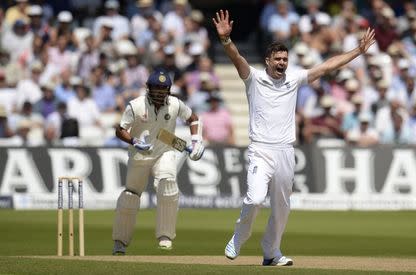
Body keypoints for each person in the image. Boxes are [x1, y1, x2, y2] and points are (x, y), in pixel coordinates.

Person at [213, 9, 375, 266]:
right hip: (261, 149)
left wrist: (357, 51)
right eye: (277, 59)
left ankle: (272, 253)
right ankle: (238, 238)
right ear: (267, 60)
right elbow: (237, 58)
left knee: (282, 207)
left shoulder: (293, 79)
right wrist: (225, 40)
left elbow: (326, 66)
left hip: (286, 151)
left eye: (285, 60)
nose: (282, 63)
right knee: (255, 198)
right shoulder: (253, 79)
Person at [112, 70, 205, 254]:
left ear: (169, 90)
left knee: (168, 184)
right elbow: (120, 130)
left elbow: (192, 119)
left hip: (165, 150)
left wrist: (196, 141)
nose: (160, 92)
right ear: (148, 88)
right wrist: (134, 141)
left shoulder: (175, 104)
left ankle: (165, 236)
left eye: (163, 89)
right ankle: (120, 243)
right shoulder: (136, 105)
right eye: (156, 88)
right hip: (140, 155)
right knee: (130, 196)